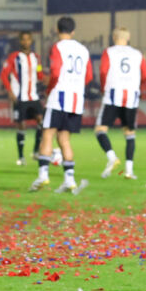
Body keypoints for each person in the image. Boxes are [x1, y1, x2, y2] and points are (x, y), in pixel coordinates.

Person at [29, 16, 92, 194]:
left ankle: (43, 175)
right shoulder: (83, 49)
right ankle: (69, 180)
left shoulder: (57, 47)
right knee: (64, 139)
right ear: (73, 31)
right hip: (76, 99)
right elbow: (88, 77)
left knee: (47, 135)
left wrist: (49, 88)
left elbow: (55, 72)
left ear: (57, 30)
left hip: (59, 96)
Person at [94, 26, 146, 179]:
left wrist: (103, 88)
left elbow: (103, 71)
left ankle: (112, 158)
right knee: (129, 133)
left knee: (100, 130)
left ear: (114, 37)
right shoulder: (137, 54)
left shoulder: (109, 52)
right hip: (131, 97)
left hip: (113, 95)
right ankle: (129, 170)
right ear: (128, 38)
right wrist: (135, 84)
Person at [0, 31, 43, 165]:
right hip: (20, 97)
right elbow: (3, 75)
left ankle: (36, 152)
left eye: (28, 39)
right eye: (23, 40)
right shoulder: (13, 57)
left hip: (33, 96)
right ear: (20, 41)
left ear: (31, 41)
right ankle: (21, 156)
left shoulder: (36, 57)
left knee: (42, 122)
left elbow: (39, 75)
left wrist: (49, 79)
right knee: (22, 126)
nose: (26, 42)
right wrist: (10, 92)